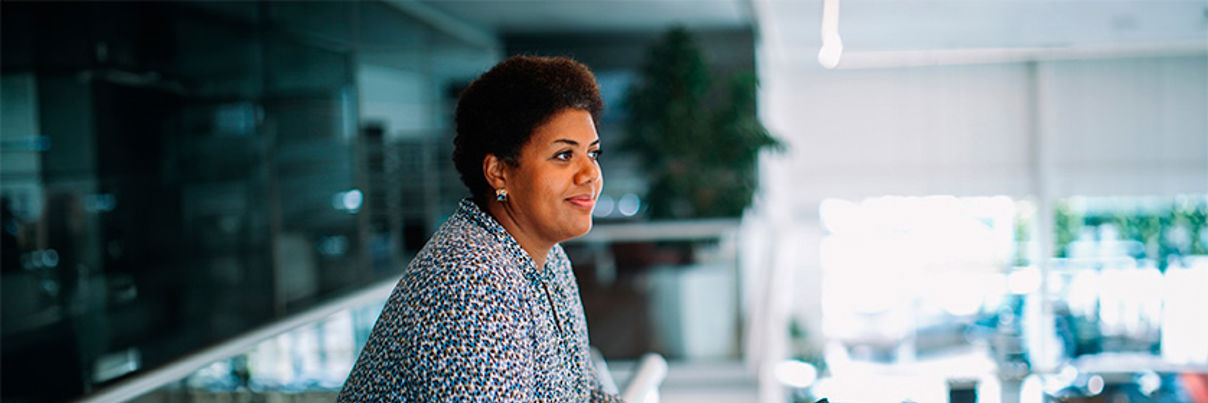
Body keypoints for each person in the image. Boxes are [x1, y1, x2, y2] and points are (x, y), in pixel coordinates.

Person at [338, 55, 622, 402]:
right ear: (499, 172)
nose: (590, 174)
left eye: (593, 154)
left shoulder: (551, 260)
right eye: (564, 155)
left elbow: (585, 393)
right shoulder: (473, 281)